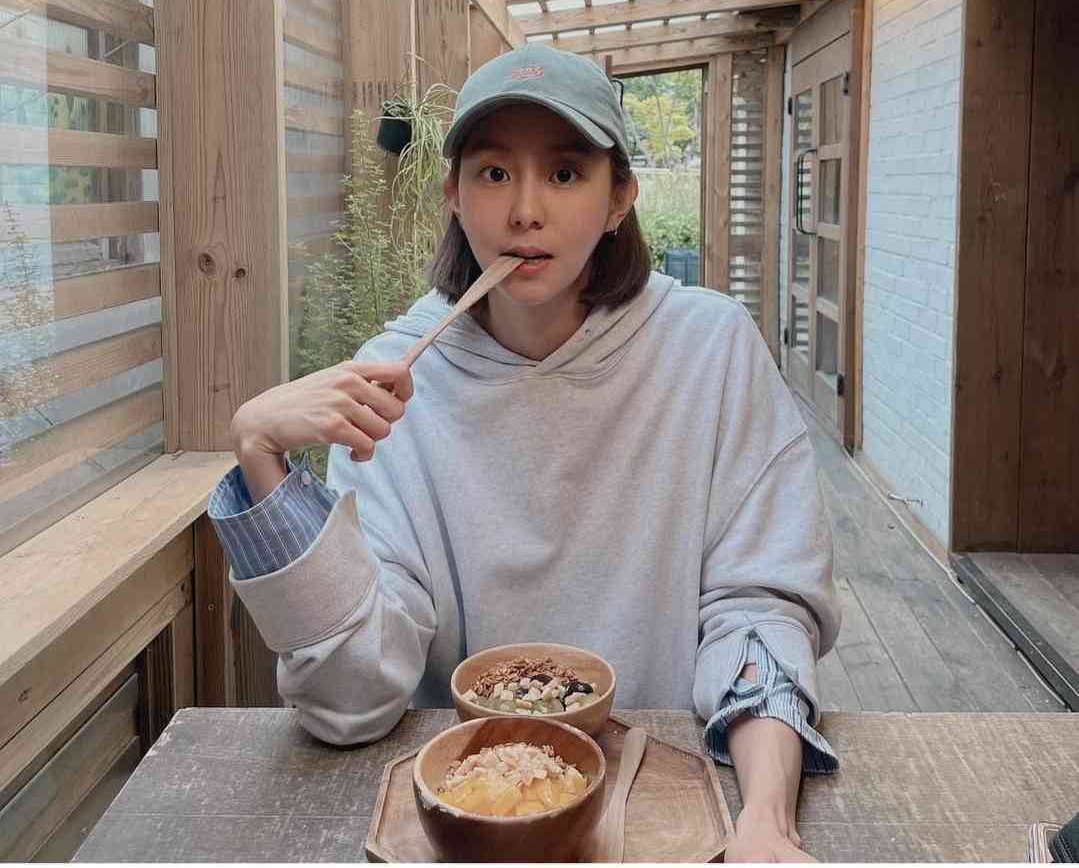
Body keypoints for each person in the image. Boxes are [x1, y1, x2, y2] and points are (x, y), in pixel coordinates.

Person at [209, 43, 840, 863]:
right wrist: (260, 458)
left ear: (619, 198)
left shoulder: (710, 348)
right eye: (494, 173)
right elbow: (350, 697)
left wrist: (764, 820)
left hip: (669, 796)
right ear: (453, 195)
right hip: (463, 814)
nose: (524, 211)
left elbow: (758, 609)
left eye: (566, 173)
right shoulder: (394, 380)